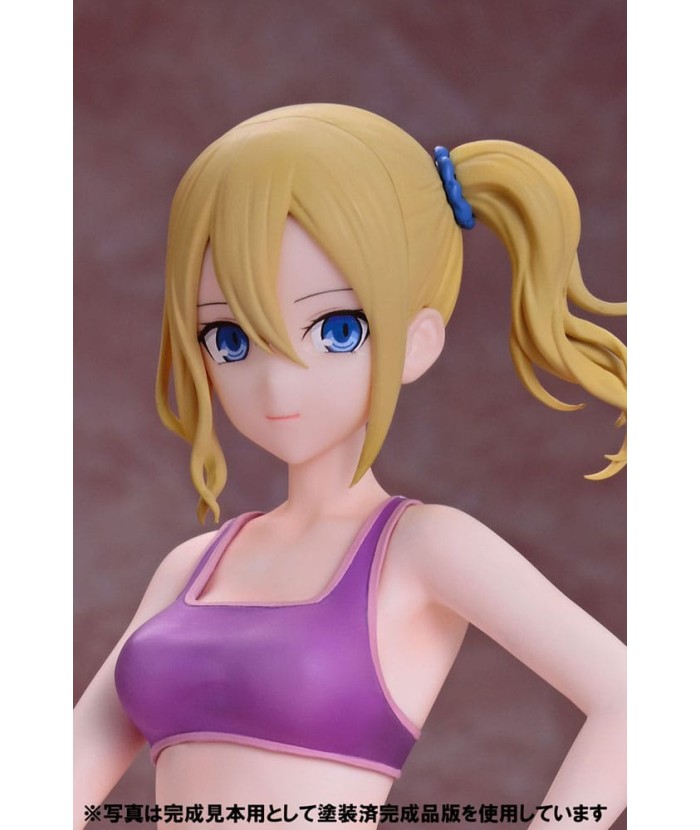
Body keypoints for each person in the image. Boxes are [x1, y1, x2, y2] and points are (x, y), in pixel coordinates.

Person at [73, 103, 626, 829]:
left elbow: (636, 703)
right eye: (231, 338)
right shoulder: (190, 567)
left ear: (417, 341)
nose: (277, 384)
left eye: (337, 330)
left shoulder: (426, 547)